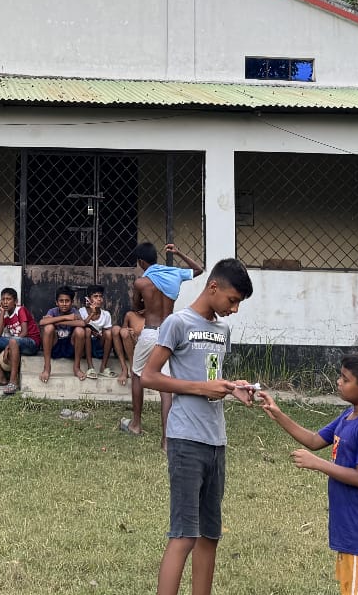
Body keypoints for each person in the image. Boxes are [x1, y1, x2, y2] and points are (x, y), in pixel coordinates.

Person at [139, 258, 255, 595]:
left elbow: (211, 377)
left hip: (215, 440)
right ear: (213, 287)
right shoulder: (177, 323)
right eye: (232, 300)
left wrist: (233, 387)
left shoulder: (223, 331)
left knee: (209, 534)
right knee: (184, 534)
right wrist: (201, 389)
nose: (233, 310)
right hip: (185, 439)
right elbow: (150, 375)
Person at [259, 353, 358, 595]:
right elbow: (314, 440)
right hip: (346, 528)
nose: (338, 382)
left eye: (345, 379)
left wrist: (318, 464)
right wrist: (277, 413)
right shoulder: (347, 416)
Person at [116, 241, 204, 440]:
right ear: (156, 258)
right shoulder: (174, 273)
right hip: (170, 333)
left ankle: (136, 424)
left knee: (137, 375)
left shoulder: (142, 282)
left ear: (140, 261)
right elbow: (198, 270)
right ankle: (166, 439)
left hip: (151, 331)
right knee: (166, 384)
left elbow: (135, 305)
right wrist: (178, 251)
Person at [0, 287, 38, 396]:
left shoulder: (20, 310)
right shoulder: (6, 314)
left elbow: (25, 332)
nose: (5, 302)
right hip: (15, 342)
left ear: (15, 301)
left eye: (8, 299)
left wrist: (8, 346)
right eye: (3, 299)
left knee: (12, 341)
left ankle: (13, 381)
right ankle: (0, 377)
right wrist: (2, 313)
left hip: (31, 342)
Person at [38, 285, 87, 382]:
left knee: (80, 331)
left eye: (67, 301)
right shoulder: (52, 311)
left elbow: (82, 323)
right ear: (56, 302)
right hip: (55, 347)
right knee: (48, 328)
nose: (64, 304)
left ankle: (76, 367)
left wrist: (58, 322)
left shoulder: (74, 311)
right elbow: (42, 322)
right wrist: (66, 317)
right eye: (61, 301)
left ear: (72, 302)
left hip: (70, 347)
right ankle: (47, 368)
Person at [77, 285, 122, 379]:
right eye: (95, 296)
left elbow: (106, 336)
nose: (99, 299)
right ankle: (90, 367)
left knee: (109, 333)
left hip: (99, 346)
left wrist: (99, 335)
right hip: (85, 345)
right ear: (89, 299)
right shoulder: (82, 311)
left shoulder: (106, 314)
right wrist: (92, 313)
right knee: (87, 330)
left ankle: (103, 367)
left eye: (100, 296)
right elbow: (81, 325)